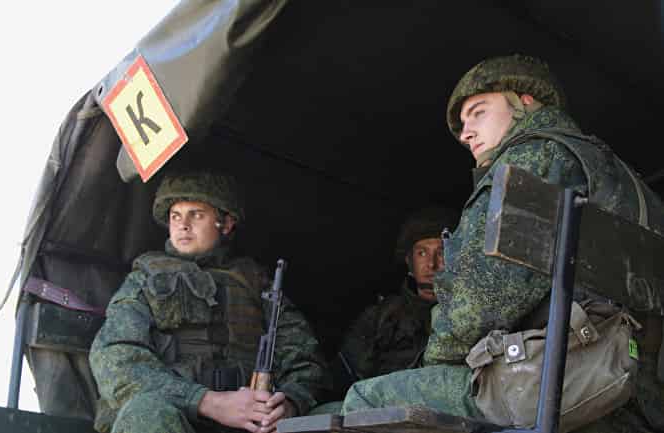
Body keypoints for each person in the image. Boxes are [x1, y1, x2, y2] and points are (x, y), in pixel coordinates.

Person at [340, 54, 664, 433]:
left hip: (558, 380)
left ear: (526, 101)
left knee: (365, 402)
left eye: (478, 112)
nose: (466, 134)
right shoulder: (623, 178)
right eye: (463, 124)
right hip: (632, 392)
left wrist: (435, 361)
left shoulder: (533, 154)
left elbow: (478, 304)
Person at [89, 171, 331, 433]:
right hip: (178, 418)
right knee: (145, 412)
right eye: (175, 216)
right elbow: (116, 361)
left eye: (196, 215)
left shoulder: (257, 283)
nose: (183, 225)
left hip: (253, 424)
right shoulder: (145, 278)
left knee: (339, 414)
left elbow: (305, 360)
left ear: (225, 224)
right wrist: (207, 402)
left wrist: (289, 404)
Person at [338, 207, 459, 382]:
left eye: (441, 253)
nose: (431, 264)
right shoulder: (379, 318)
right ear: (409, 261)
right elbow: (345, 378)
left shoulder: (470, 315)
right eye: (422, 253)